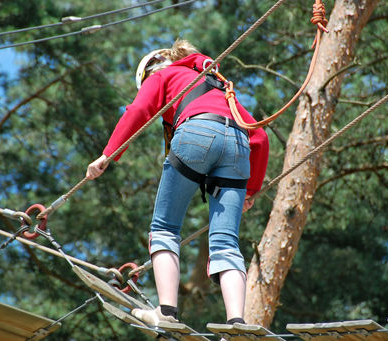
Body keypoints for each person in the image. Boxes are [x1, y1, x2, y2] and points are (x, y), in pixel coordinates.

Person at [86, 39, 269, 326]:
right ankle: (236, 323)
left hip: (196, 131)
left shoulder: (162, 75)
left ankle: (166, 313)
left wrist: (107, 154)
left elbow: (138, 111)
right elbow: (259, 137)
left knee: (165, 228)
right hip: (237, 145)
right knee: (226, 243)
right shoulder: (218, 85)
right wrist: (250, 190)